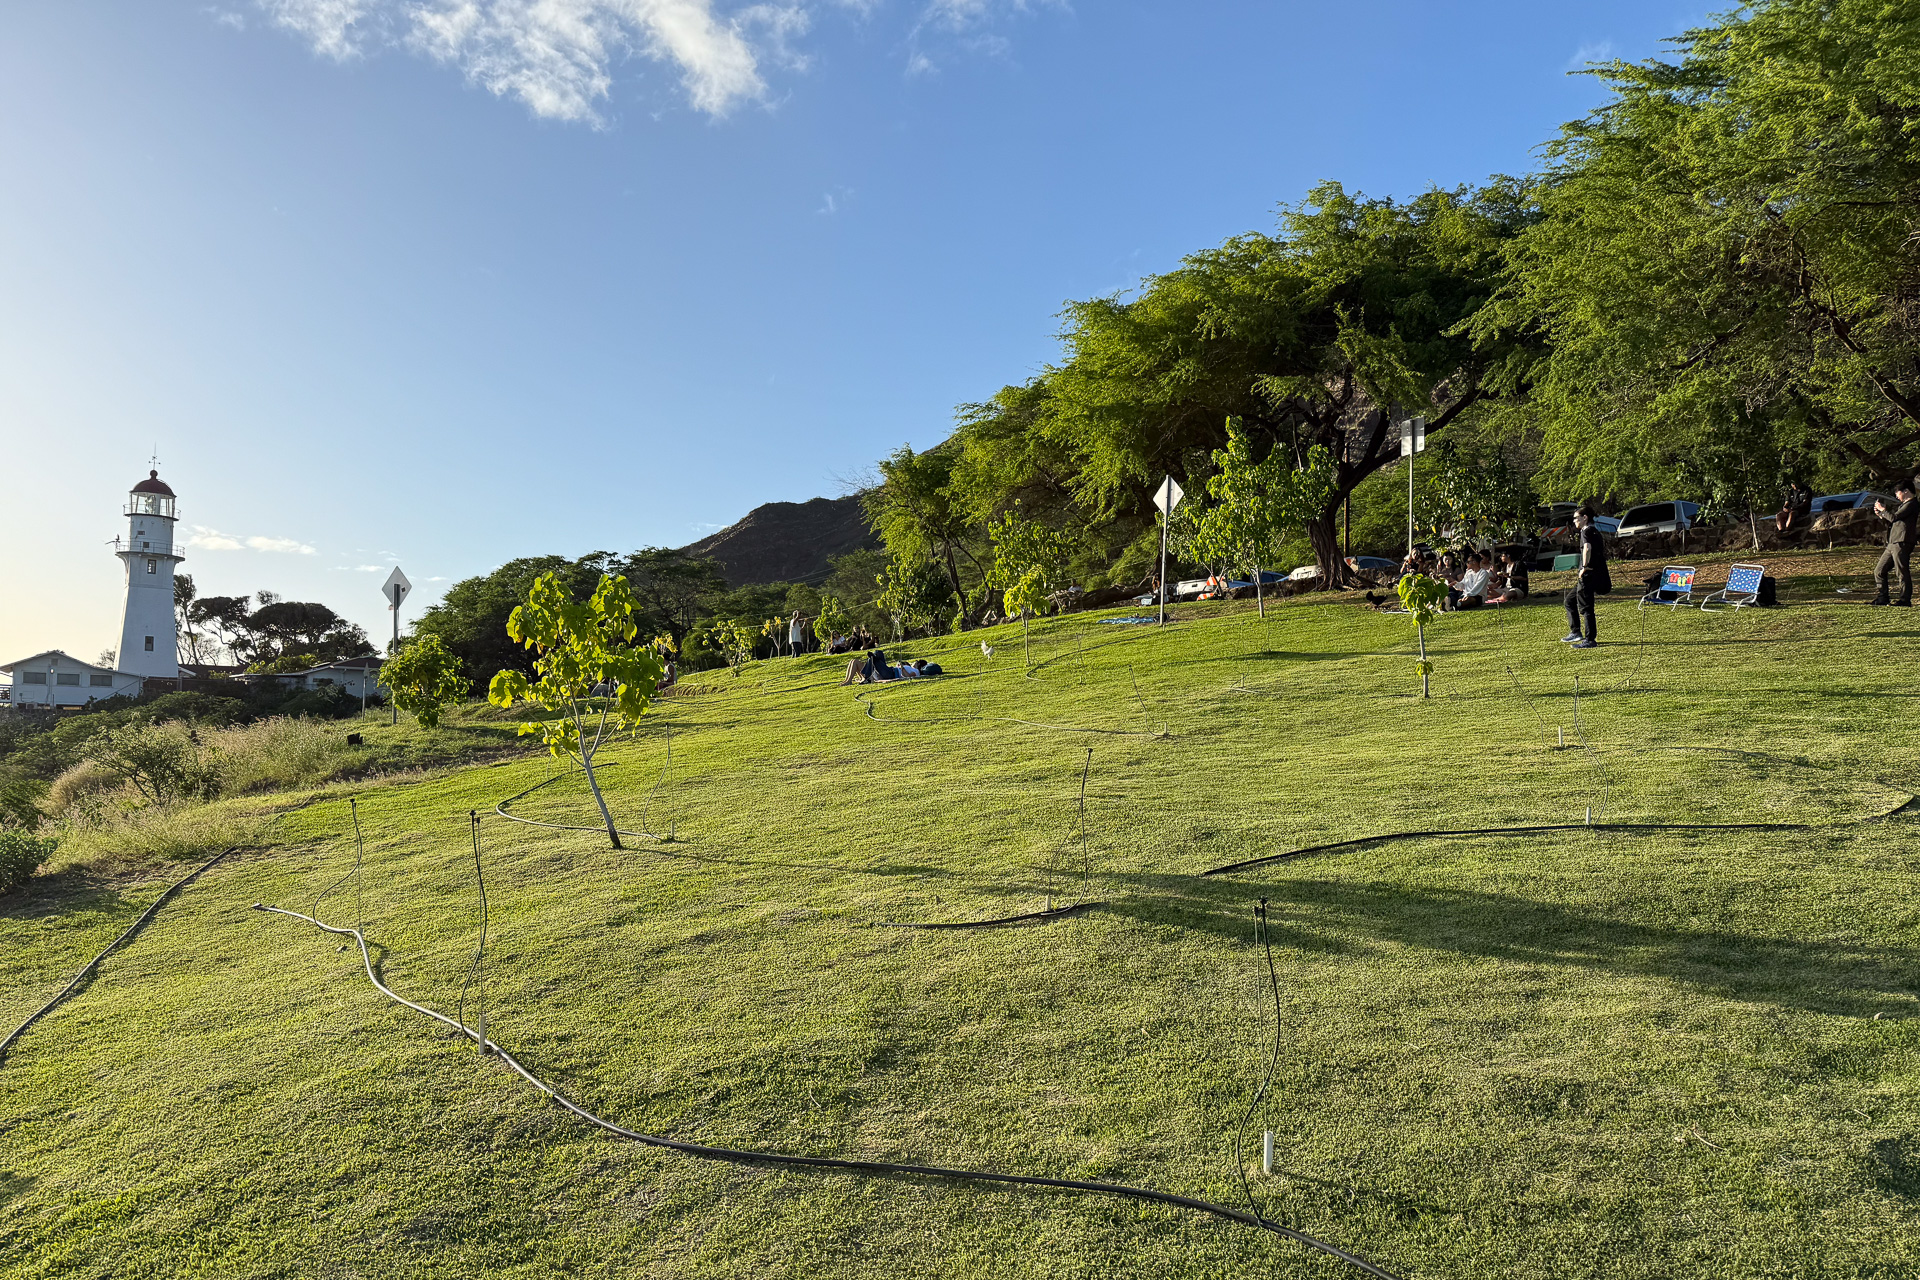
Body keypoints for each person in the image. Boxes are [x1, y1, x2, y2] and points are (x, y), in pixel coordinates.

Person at [1561, 509, 1611, 647]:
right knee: (1569, 601)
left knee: (1586, 607)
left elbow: (1587, 548)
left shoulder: (1586, 531)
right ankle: (1576, 632)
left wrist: (1584, 566)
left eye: (1576, 518)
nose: (1574, 521)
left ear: (1585, 517)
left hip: (1588, 575)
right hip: (1597, 573)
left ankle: (1590, 639)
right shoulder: (1595, 531)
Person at [1871, 479, 1917, 606]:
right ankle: (1882, 597)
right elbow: (1894, 521)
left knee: (1901, 571)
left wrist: (1883, 510)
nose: (1896, 495)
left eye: (1897, 492)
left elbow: (1894, 517)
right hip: (1893, 542)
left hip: (1902, 541)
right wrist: (1881, 514)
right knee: (1879, 570)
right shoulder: (1903, 505)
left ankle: (1905, 600)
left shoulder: (1912, 504)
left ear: (1906, 491)